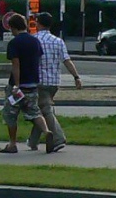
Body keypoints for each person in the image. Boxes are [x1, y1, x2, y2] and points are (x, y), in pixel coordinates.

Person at [29, 12, 81, 153]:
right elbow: (66, 60)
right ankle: (32, 141)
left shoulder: (33, 40)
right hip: (54, 82)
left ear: (38, 23)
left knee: (44, 110)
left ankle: (58, 138)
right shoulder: (58, 41)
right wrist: (76, 76)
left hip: (39, 81)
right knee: (42, 108)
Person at [0, 12, 48, 154]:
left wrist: (16, 84)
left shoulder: (14, 43)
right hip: (33, 83)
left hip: (19, 86)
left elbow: (16, 65)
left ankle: (12, 143)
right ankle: (47, 131)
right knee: (34, 112)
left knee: (10, 114)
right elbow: (38, 60)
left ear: (13, 28)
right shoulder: (35, 41)